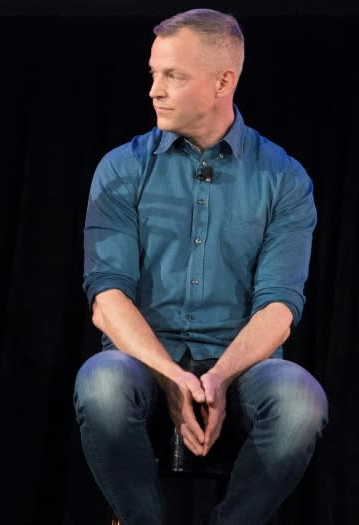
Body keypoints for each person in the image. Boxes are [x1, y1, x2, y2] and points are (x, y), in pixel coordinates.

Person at [73, 8, 327, 525]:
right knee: (101, 382)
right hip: (143, 360)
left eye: (173, 76)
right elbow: (107, 299)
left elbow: (279, 308)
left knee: (301, 398)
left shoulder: (284, 178)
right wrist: (170, 376)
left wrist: (218, 378)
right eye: (153, 74)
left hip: (243, 367)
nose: (154, 90)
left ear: (222, 82)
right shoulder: (122, 168)